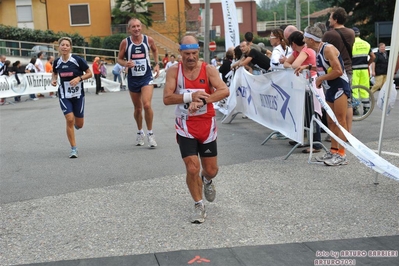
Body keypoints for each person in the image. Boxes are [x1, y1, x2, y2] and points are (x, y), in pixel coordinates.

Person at [163, 34, 229, 223]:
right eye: (186, 54)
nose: (190, 57)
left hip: (206, 124)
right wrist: (189, 98)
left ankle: (207, 180)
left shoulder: (208, 70)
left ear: (198, 52)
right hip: (185, 125)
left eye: (193, 53)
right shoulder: (174, 71)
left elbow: (224, 90)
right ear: (180, 52)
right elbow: (167, 98)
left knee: (211, 170)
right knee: (192, 168)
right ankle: (198, 204)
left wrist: (202, 100)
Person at [299, 24, 351, 166]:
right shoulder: (318, 50)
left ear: (310, 39)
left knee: (340, 120)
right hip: (330, 87)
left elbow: (338, 71)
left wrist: (321, 79)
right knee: (331, 121)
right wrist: (309, 67)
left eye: (305, 37)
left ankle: (342, 154)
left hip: (339, 85)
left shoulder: (327, 49)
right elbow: (324, 67)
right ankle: (333, 151)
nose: (303, 40)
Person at [117, 17, 160, 148]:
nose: (136, 29)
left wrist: (157, 64)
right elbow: (119, 59)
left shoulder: (148, 40)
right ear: (129, 29)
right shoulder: (125, 43)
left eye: (138, 26)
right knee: (138, 108)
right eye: (133, 27)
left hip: (146, 76)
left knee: (147, 105)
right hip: (133, 78)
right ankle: (140, 131)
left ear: (141, 27)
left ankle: (150, 134)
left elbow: (155, 50)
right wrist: (125, 63)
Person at [50, 37, 93, 158]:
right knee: (69, 119)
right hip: (64, 95)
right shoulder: (57, 62)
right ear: (59, 47)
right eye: (62, 45)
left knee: (79, 124)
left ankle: (74, 126)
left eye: (67, 45)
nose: (64, 47)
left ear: (70, 47)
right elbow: (54, 73)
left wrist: (79, 78)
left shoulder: (77, 60)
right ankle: (73, 148)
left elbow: (90, 73)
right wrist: (53, 80)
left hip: (78, 95)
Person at [284, 31, 325, 153]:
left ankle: (317, 144)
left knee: (313, 113)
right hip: (304, 85)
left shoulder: (306, 50)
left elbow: (293, 64)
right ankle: (304, 139)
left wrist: (297, 66)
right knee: (305, 114)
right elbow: (287, 63)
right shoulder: (297, 52)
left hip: (312, 84)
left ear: (292, 43)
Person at [322, 7, 355, 136]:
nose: (329, 20)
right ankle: (348, 133)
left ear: (335, 19)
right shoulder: (351, 32)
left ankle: (336, 134)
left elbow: (322, 52)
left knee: (334, 102)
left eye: (330, 17)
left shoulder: (329, 34)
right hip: (348, 69)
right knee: (348, 101)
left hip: (334, 70)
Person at [351, 27, 375, 115]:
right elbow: (373, 56)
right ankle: (366, 108)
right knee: (365, 89)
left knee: (354, 89)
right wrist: (368, 64)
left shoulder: (351, 44)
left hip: (354, 70)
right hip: (364, 70)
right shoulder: (366, 44)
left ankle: (355, 108)